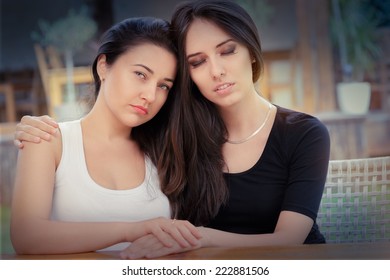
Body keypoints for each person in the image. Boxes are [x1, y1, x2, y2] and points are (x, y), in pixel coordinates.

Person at [14, 0, 330, 259]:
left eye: (227, 51)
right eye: (197, 62)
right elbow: (28, 233)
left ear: (251, 50)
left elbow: (291, 238)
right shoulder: (180, 136)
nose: (217, 71)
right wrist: (34, 127)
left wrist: (199, 238)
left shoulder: (302, 133)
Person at [10, 17, 201, 255]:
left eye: (163, 86)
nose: (150, 95)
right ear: (103, 66)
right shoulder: (49, 140)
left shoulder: (164, 152)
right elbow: (26, 236)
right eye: (141, 74)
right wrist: (132, 230)